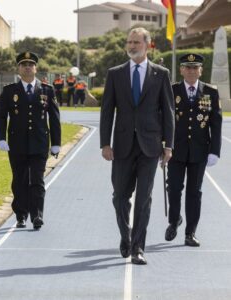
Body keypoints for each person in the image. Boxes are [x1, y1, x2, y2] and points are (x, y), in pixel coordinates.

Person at [100, 27, 174, 265]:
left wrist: (169, 145)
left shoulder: (161, 74)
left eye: (136, 42)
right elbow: (106, 111)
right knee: (120, 197)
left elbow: (168, 112)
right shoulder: (115, 73)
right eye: (129, 42)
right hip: (121, 146)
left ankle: (138, 248)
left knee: (144, 198)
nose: (131, 46)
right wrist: (105, 143)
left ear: (147, 45)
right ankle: (126, 235)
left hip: (150, 147)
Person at [0, 51, 61, 230]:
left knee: (37, 181)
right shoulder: (10, 91)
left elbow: (54, 118)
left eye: (31, 64)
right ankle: (21, 214)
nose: (27, 67)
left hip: (39, 143)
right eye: (24, 64)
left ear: (36, 68)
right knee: (20, 180)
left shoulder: (47, 90)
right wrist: (1, 138)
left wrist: (56, 143)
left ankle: (37, 215)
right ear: (19, 68)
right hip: (17, 144)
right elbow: (0, 116)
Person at [164, 53, 222, 247]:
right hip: (175, 150)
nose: (191, 71)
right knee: (173, 189)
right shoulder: (171, 90)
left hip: (199, 151)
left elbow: (216, 123)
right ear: (181, 70)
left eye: (194, 67)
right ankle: (174, 221)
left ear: (200, 70)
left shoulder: (210, 92)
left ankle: (190, 232)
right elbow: (163, 119)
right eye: (187, 68)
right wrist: (161, 145)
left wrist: (215, 151)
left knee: (194, 192)